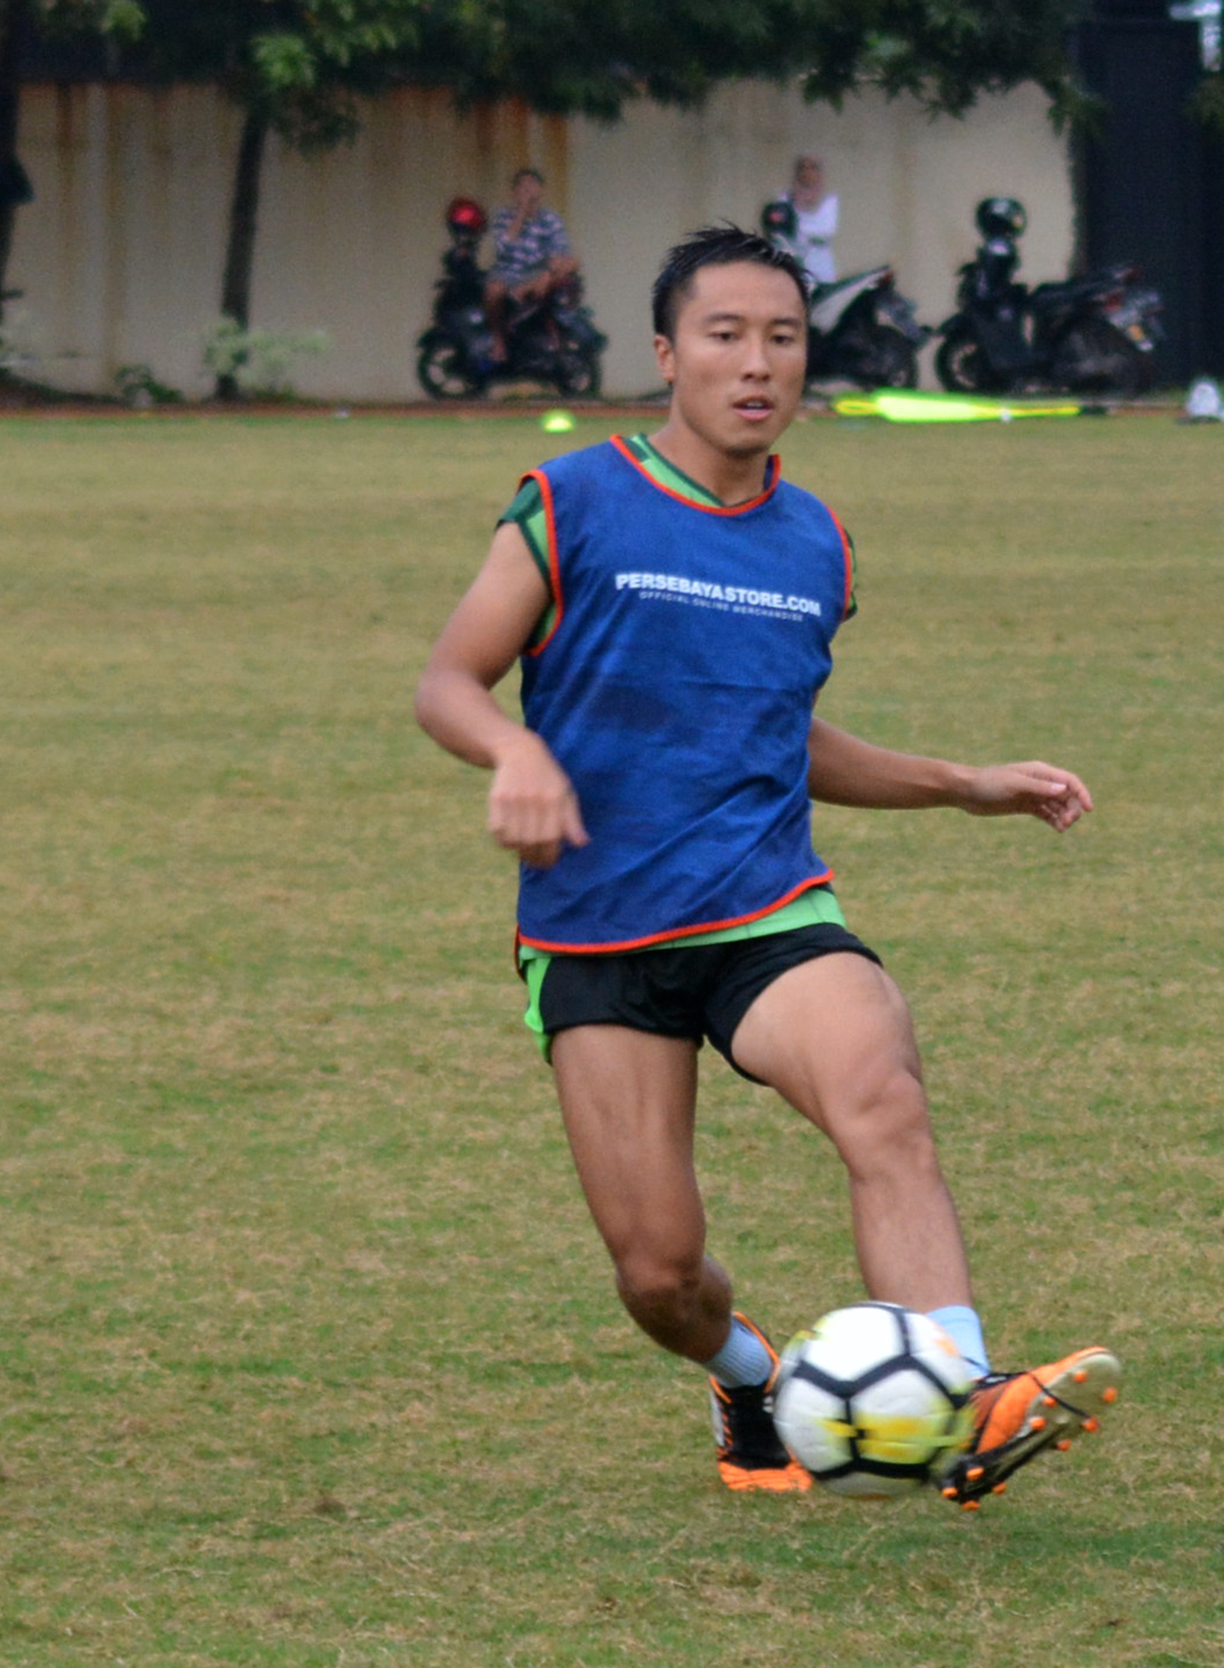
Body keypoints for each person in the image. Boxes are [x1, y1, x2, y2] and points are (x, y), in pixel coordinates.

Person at [413, 225, 1120, 1505]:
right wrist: (513, 752)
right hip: (595, 935)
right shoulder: (572, 501)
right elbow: (447, 681)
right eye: (726, 336)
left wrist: (961, 784)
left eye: (782, 339)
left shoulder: (815, 543)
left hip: (765, 906)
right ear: (666, 353)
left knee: (881, 1100)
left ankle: (962, 1399)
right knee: (658, 1275)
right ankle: (748, 1381)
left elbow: (775, 732)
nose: (756, 363)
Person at [484, 169, 578, 366]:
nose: (527, 190)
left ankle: (527, 295)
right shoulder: (503, 217)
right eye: (522, 186)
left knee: (570, 262)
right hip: (508, 271)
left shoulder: (550, 219)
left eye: (532, 185)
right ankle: (499, 341)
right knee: (493, 290)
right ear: (514, 193)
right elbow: (504, 248)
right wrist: (521, 212)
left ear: (541, 190)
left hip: (539, 273)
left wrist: (548, 273)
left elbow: (561, 251)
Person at [782, 154, 838, 285]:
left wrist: (799, 230)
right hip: (794, 260)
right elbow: (781, 231)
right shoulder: (785, 199)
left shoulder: (829, 200)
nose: (807, 172)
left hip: (820, 261)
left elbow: (826, 230)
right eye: (803, 168)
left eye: (812, 168)